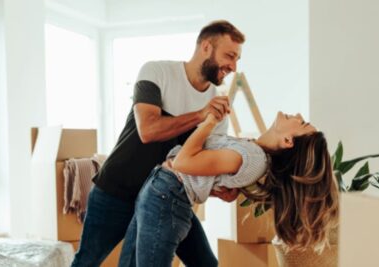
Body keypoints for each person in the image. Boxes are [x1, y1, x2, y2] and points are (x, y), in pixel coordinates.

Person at [71, 20, 245, 267]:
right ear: (206, 46)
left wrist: (219, 190)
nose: (233, 66)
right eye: (229, 55)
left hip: (165, 199)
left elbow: (198, 163)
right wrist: (200, 115)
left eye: (237, 59)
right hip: (116, 192)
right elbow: (148, 130)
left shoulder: (218, 104)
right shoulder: (156, 72)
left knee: (206, 263)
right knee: (86, 262)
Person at [118, 111, 339, 266]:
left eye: (302, 123)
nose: (298, 115)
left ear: (288, 140)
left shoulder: (252, 157)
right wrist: (215, 187)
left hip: (166, 195)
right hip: (166, 191)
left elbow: (182, 163)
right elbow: (207, 169)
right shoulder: (253, 150)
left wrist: (209, 121)